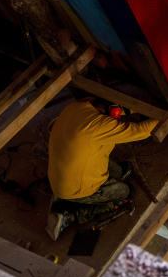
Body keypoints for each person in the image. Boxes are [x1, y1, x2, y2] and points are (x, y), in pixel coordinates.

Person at [45, 98, 157, 240]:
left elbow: (115, 108)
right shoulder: (99, 126)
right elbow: (140, 131)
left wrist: (147, 107)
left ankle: (64, 194)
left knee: (122, 171)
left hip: (60, 174)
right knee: (125, 191)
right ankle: (71, 215)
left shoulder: (76, 107)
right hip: (76, 189)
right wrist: (162, 117)